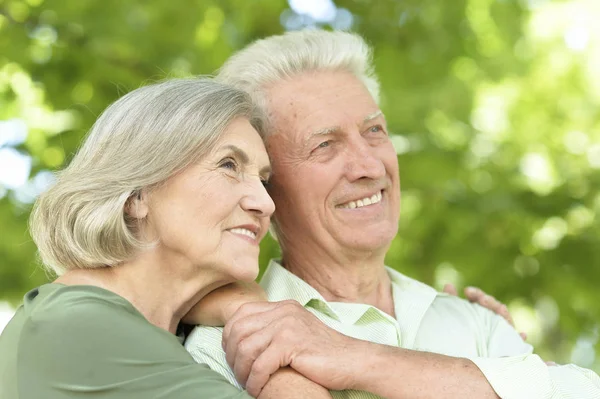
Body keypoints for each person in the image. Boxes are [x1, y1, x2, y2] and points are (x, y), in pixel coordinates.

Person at [184, 30, 600, 398]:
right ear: (265, 183)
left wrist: (354, 358)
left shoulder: (475, 322)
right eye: (325, 145)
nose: (369, 165)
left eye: (374, 131)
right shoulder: (219, 349)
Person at [0, 78, 277, 398]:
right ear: (137, 195)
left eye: (264, 180)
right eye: (228, 165)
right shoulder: (81, 326)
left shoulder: (140, 329)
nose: (265, 203)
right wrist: (264, 326)